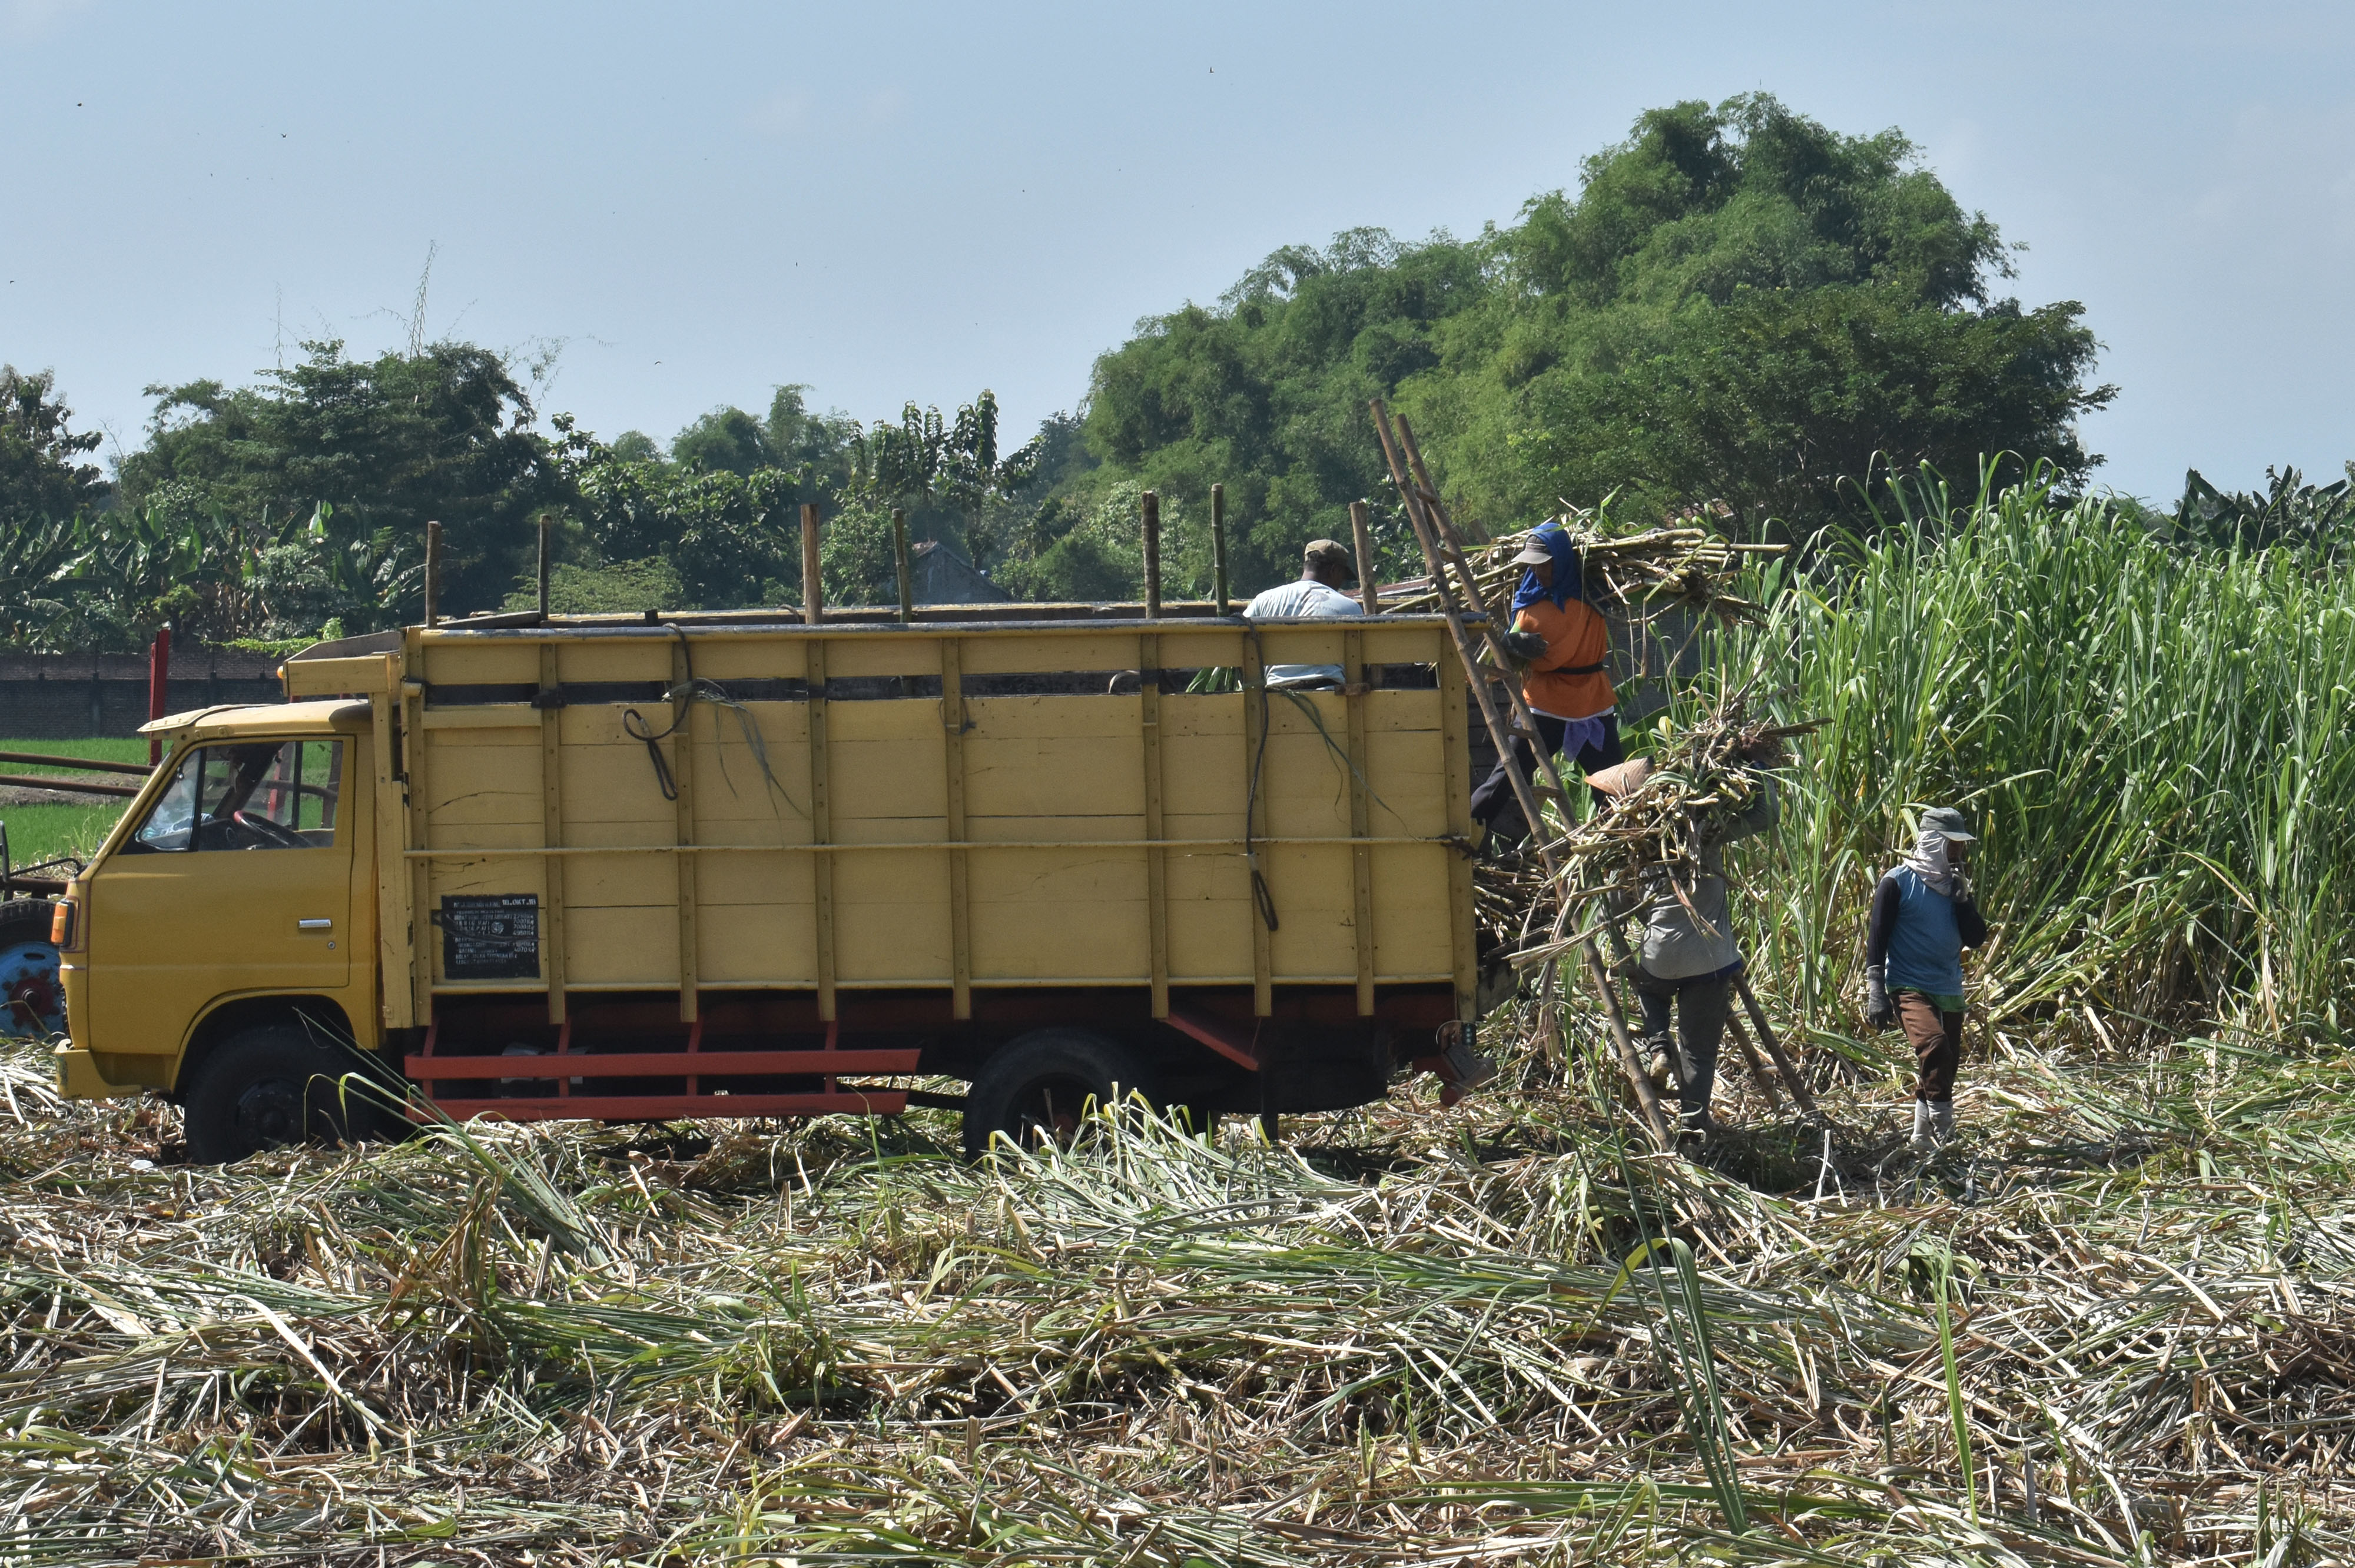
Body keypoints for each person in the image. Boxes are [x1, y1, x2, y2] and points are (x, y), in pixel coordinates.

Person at [1596, 747, 1781, 1140]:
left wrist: (1626, 958)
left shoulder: (1628, 849)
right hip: (1710, 962)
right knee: (1699, 1049)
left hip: (1660, 958)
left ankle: (1659, 1047)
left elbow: (1611, 913)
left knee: (1651, 990)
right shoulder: (1703, 835)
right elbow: (1766, 817)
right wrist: (1759, 772)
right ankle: (1693, 1126)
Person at [1468, 525, 1621, 842]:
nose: (1539, 572)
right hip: (1545, 706)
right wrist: (1510, 644)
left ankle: (1621, 852)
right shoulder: (1531, 604)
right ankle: (1465, 833)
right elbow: (1507, 659)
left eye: (1546, 564)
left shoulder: (1595, 597)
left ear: (1563, 561)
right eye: (1534, 565)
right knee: (1506, 777)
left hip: (1591, 705)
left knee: (1614, 790)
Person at [1863, 806, 1990, 1152]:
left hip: (1948, 987)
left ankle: (1921, 1139)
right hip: (1909, 984)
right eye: (1953, 846)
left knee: (1944, 1064)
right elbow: (1877, 937)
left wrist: (1964, 900)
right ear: (1934, 843)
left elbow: (1976, 938)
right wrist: (1876, 989)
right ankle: (1945, 1126)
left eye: (1961, 846)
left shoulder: (1954, 886)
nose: (1959, 853)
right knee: (1933, 1045)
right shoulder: (1897, 882)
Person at [1243, 539, 1365, 689]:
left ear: (1306, 566)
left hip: (1275, 695)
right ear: (1334, 570)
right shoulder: (1350, 607)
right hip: (1331, 695)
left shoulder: (1264, 600)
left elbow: (1240, 637)